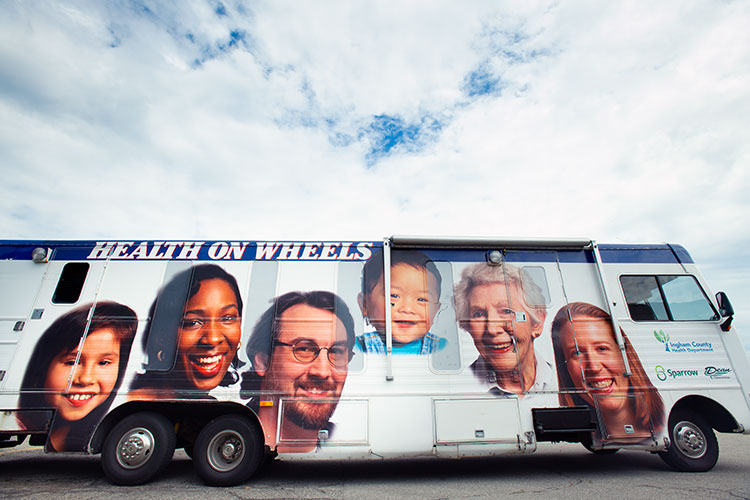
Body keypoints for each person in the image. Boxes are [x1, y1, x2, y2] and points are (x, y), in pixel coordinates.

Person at [240, 291, 355, 452]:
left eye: (336, 352)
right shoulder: (241, 425)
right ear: (263, 362)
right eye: (304, 349)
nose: (322, 371)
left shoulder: (342, 439)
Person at [17, 302, 137, 451]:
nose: (85, 379)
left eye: (103, 362)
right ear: (43, 365)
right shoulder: (19, 420)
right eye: (72, 362)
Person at [551, 302, 665, 440]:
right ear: (565, 369)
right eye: (576, 353)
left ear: (624, 354)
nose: (593, 366)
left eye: (602, 348)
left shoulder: (663, 429)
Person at [130, 264, 243, 398]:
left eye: (227, 318)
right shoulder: (140, 401)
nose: (213, 339)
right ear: (162, 337)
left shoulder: (205, 403)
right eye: (193, 323)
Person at [454, 262, 552, 398]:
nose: (492, 329)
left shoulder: (565, 380)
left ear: (537, 323)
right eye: (479, 314)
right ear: (468, 327)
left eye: (506, 311)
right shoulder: (457, 388)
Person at [356, 249, 446, 354]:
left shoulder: (443, 347)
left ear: (436, 310)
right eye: (394, 295)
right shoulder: (354, 347)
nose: (407, 309)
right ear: (365, 304)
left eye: (422, 299)